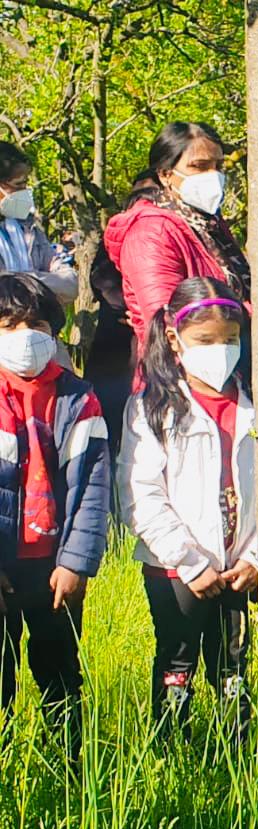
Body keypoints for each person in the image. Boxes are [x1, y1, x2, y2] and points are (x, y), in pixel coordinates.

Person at [119, 277, 257, 741]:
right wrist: (189, 561)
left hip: (239, 566)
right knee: (178, 659)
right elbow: (140, 493)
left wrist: (255, 558)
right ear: (175, 339)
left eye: (230, 340)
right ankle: (172, 747)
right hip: (176, 571)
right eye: (206, 341)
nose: (219, 350)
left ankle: (234, 748)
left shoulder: (257, 406)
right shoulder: (152, 408)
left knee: (234, 659)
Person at [0, 274, 110, 748]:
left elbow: (92, 487)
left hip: (54, 569)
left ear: (55, 331)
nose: (25, 335)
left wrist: (75, 563)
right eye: (9, 325)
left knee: (60, 676)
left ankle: (68, 770)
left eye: (36, 323)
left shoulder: (78, 398)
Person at [103, 122, 249, 353]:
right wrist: (256, 315)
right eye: (199, 166)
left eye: (219, 166)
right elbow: (165, 322)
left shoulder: (207, 224)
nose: (214, 176)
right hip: (186, 374)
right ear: (165, 174)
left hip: (229, 356)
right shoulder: (152, 232)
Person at [0, 143, 78, 303]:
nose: (25, 190)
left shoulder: (28, 227)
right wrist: (40, 281)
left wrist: (21, 280)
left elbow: (69, 285)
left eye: (26, 182)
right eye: (18, 184)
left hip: (34, 325)